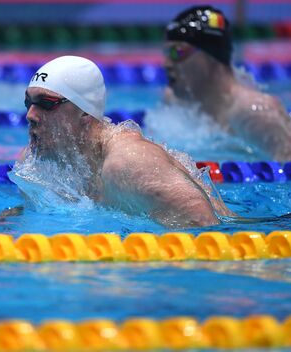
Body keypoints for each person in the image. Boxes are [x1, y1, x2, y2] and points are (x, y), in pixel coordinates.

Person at [17, 55, 234, 228]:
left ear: (84, 112)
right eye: (29, 103)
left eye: (46, 103)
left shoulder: (128, 163)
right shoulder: (34, 161)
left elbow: (203, 223)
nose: (31, 115)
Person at [163, 5, 291, 161]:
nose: (167, 63)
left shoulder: (255, 113)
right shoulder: (175, 100)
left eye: (177, 52)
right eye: (167, 53)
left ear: (211, 56)